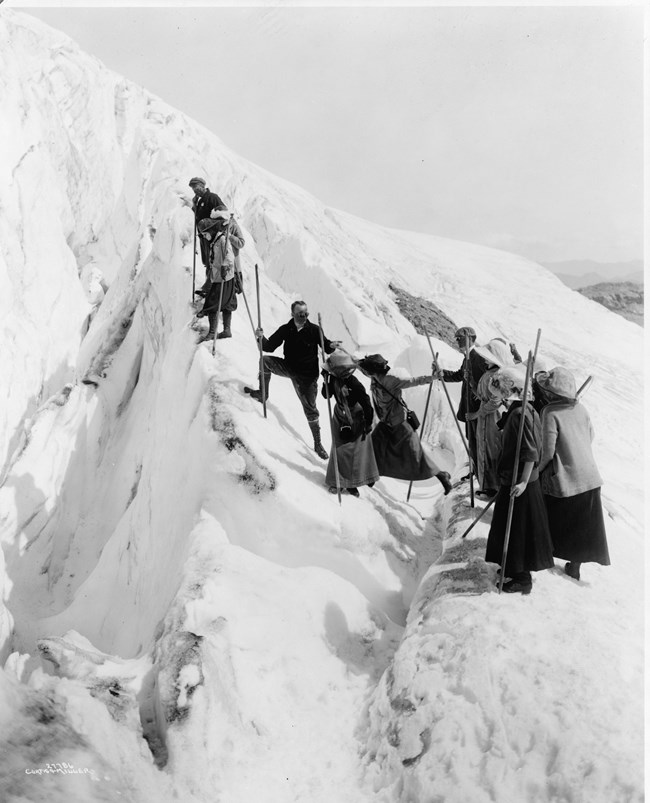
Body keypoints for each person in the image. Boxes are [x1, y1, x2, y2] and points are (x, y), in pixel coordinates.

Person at [484, 365, 554, 594]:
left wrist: (523, 482)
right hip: (515, 480)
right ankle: (510, 566)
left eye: (500, 393)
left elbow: (530, 452)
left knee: (517, 530)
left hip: (519, 482)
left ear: (509, 392)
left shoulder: (519, 414)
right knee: (508, 525)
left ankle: (522, 578)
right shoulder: (522, 409)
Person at [536, 367, 610, 581]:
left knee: (551, 514)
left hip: (567, 477)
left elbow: (548, 452)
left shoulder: (550, 412)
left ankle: (544, 556)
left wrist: (538, 471)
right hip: (589, 475)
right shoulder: (582, 409)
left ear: (551, 393)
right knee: (581, 524)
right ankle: (574, 566)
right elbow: (591, 435)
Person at [245, 301, 340, 459]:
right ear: (293, 315)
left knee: (310, 409)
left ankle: (317, 443)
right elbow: (268, 347)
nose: (303, 316)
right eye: (300, 314)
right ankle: (263, 394)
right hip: (288, 367)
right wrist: (260, 338)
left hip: (307, 377)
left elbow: (327, 347)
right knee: (265, 361)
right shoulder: (286, 329)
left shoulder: (315, 330)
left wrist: (332, 345)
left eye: (305, 314)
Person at [356, 354, 452, 494]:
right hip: (385, 423)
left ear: (373, 370)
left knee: (416, 455)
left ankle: (442, 476)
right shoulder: (374, 377)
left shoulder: (391, 380)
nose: (366, 372)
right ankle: (370, 476)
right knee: (373, 446)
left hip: (399, 424)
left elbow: (414, 381)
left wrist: (433, 377)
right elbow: (360, 366)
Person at [320, 351, 379, 497]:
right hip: (340, 416)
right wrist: (325, 380)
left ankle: (352, 484)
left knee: (353, 452)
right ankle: (337, 482)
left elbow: (366, 403)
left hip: (356, 418)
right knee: (338, 449)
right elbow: (326, 395)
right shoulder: (333, 379)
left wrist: (368, 422)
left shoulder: (354, 383)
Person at [437, 326, 490, 477]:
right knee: (471, 439)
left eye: (461, 338)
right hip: (469, 407)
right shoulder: (467, 357)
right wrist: (442, 373)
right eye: (457, 338)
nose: (458, 341)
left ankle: (481, 473)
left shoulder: (478, 357)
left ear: (472, 339)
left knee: (477, 440)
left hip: (477, 409)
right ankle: (475, 470)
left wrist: (478, 403)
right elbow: (460, 375)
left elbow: (483, 385)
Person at [470, 339, 515, 497]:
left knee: (490, 448)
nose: (484, 359)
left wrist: (478, 413)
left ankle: (492, 486)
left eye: (488, 356)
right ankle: (489, 485)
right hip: (490, 416)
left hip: (492, 418)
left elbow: (495, 400)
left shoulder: (495, 375)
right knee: (488, 448)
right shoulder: (495, 374)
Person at [196, 213, 244, 343]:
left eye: (205, 234)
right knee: (227, 303)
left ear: (211, 231)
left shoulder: (222, 240)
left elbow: (230, 256)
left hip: (224, 278)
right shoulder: (215, 241)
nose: (205, 237)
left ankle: (212, 333)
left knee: (212, 304)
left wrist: (224, 266)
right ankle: (226, 330)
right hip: (220, 277)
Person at [189, 177, 226, 295]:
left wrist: (213, 226)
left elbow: (223, 213)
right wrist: (194, 206)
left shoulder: (212, 198)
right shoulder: (199, 201)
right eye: (193, 188)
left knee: (212, 260)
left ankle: (209, 287)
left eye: (195, 187)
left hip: (212, 235)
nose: (194, 190)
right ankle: (208, 285)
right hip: (203, 235)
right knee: (207, 261)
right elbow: (198, 215)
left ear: (202, 185)